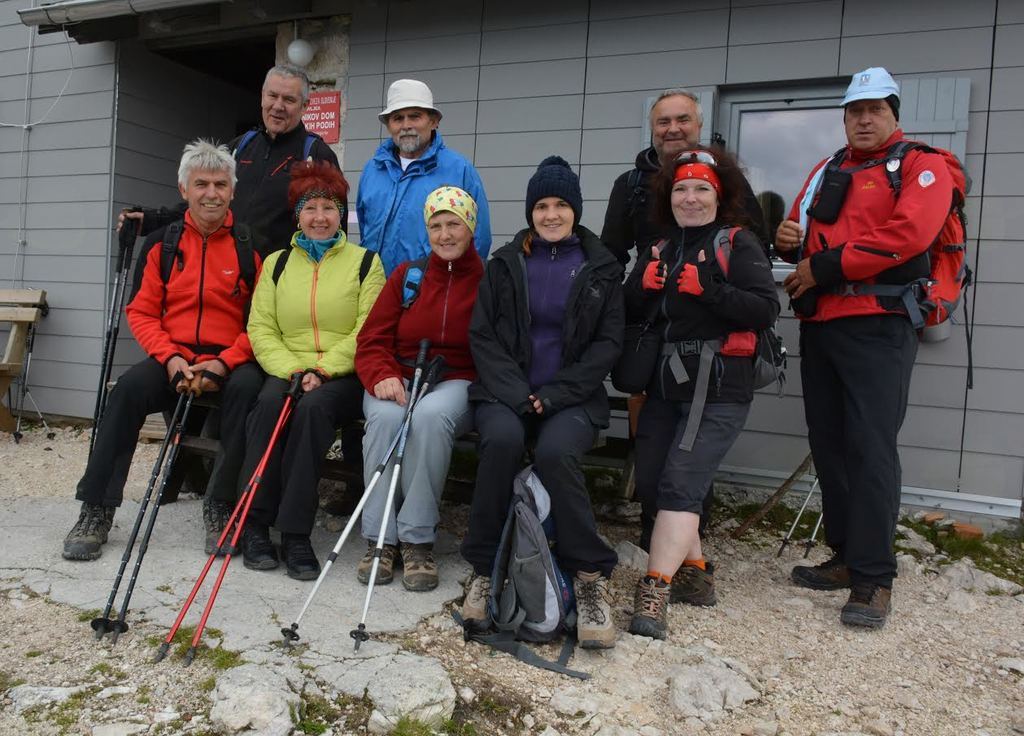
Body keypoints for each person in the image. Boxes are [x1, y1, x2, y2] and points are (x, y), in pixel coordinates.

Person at [775, 67, 953, 628]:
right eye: (855, 110)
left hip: (880, 324)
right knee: (829, 444)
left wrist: (822, 265)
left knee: (872, 449)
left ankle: (875, 579)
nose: (865, 119)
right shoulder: (827, 168)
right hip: (822, 323)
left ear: (894, 114)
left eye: (876, 109)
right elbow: (800, 233)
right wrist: (786, 238)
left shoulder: (922, 167)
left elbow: (908, 236)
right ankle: (846, 556)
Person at [62, 140, 264, 561]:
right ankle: (96, 509)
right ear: (184, 189)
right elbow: (141, 311)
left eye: (220, 185)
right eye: (201, 184)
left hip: (229, 358)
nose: (211, 193)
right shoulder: (161, 244)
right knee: (127, 391)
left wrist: (224, 362)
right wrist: (170, 358)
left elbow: (264, 322)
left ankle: (221, 505)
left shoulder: (252, 248)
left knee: (250, 392)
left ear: (233, 191)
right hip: (172, 355)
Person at [459, 156, 624, 650]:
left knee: (555, 453)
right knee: (502, 441)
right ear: (531, 211)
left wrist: (554, 395)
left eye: (561, 205)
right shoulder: (505, 264)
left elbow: (608, 345)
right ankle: (483, 568)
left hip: (571, 396)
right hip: (506, 393)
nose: (551, 214)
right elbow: (482, 336)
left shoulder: (601, 268)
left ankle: (589, 576)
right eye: (542, 206)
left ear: (576, 210)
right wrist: (517, 394)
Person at [600, 88, 768, 552]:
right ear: (652, 129)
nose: (673, 129)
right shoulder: (631, 185)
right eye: (663, 121)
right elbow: (611, 254)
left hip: (712, 340)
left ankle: (683, 543)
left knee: (689, 456)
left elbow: (756, 253)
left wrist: (711, 288)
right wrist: (629, 293)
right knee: (655, 449)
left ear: (699, 125)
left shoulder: (731, 193)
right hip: (652, 336)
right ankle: (656, 531)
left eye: (683, 120)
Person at [623, 147, 779, 639]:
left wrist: (709, 290)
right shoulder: (660, 247)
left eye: (701, 189)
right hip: (665, 384)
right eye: (681, 189)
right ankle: (695, 573)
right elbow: (628, 308)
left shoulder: (738, 243)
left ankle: (655, 588)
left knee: (680, 483)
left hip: (719, 387)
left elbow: (764, 309)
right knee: (653, 482)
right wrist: (641, 287)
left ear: (719, 195)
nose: (690, 198)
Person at [239, 161, 385, 580]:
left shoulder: (365, 263)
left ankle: (295, 532)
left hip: (341, 374)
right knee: (268, 408)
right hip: (286, 369)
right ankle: (254, 523)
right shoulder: (277, 264)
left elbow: (367, 330)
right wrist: (293, 370)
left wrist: (322, 369)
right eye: (310, 208)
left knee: (312, 410)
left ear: (342, 215)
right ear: (297, 215)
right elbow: (261, 327)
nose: (320, 217)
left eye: (329, 207)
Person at [354, 186, 484, 592]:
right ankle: (379, 538)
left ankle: (416, 539)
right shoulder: (407, 276)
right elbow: (371, 339)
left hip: (456, 379)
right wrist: (382, 374)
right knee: (385, 418)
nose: (445, 235)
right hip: (400, 375)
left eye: (454, 224)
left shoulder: (488, 280)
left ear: (470, 227)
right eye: (436, 226)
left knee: (429, 418)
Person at [123, 64, 340, 258]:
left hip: (280, 280)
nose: (278, 106)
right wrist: (153, 220)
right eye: (272, 96)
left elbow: (333, 228)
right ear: (262, 97)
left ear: (305, 106)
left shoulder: (316, 155)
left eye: (289, 100)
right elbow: (205, 200)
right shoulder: (239, 147)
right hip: (228, 273)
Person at [356, 79, 492, 275]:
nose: (406, 125)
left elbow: (480, 238)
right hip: (375, 287)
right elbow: (365, 228)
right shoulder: (372, 170)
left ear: (433, 121)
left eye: (415, 116)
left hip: (433, 288)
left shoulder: (459, 170)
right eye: (398, 118)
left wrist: (455, 284)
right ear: (388, 125)